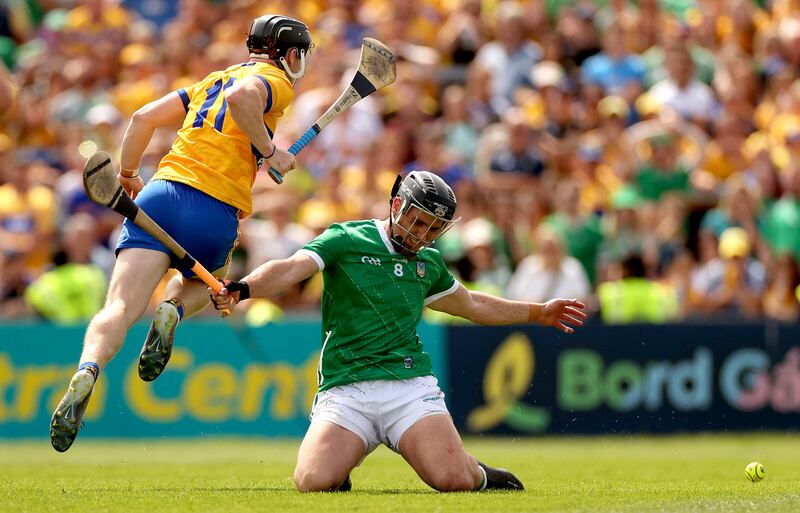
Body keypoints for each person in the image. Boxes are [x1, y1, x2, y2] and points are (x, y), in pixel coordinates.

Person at [210, 171, 586, 492]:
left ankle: (481, 473)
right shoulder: (346, 239)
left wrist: (537, 312)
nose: (422, 235)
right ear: (396, 207)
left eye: (434, 229)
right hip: (347, 387)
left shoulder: (429, 262)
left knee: (452, 479)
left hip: (408, 386)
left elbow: (472, 304)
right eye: (419, 222)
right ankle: (342, 463)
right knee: (312, 481)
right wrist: (243, 289)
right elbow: (291, 268)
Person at [50, 14, 314, 452]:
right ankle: (173, 307)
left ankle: (88, 369)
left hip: (159, 195)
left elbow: (141, 117)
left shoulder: (210, 79)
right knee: (212, 279)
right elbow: (244, 98)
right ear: (287, 53)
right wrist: (270, 151)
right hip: (215, 208)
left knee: (118, 306)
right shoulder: (274, 79)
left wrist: (129, 174)